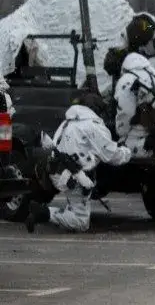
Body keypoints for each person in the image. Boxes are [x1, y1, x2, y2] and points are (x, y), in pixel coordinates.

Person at [25, 93, 132, 233]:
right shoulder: (93, 125)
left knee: (76, 204)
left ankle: (54, 211)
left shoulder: (68, 121)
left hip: (58, 170)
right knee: (81, 223)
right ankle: (43, 213)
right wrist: (127, 151)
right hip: (73, 175)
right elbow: (111, 156)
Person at [105, 48, 155, 158]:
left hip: (140, 140)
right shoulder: (154, 73)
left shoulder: (126, 80)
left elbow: (126, 112)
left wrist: (121, 133)